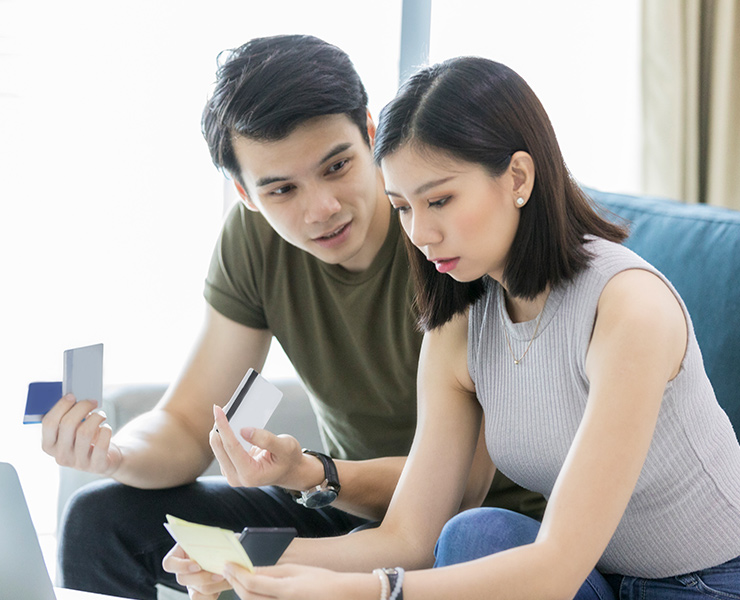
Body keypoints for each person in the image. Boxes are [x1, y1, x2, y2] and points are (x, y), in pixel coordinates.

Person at [176, 56, 740, 600]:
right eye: (401, 207)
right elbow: (409, 540)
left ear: (517, 176)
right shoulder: (462, 319)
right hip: (600, 577)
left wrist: (367, 591)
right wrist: (237, 557)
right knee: (473, 535)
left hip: (705, 582)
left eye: (440, 200)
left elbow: (554, 569)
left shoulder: (628, 308)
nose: (420, 233)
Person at [41, 39, 544, 599]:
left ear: (372, 136)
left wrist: (313, 475)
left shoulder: (451, 243)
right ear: (245, 194)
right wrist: (116, 454)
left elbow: (447, 500)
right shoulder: (254, 241)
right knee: (102, 519)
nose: (320, 208)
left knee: (455, 537)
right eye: (281, 189)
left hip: (476, 528)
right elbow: (187, 425)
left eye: (337, 166)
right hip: (345, 509)